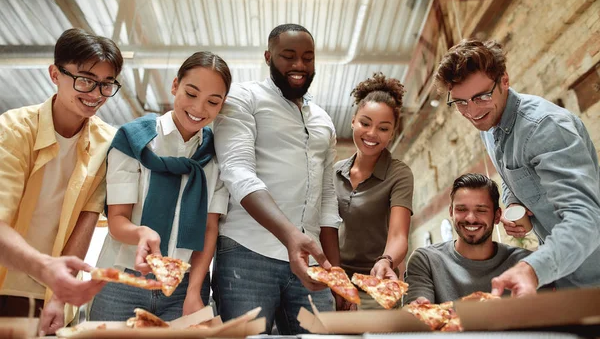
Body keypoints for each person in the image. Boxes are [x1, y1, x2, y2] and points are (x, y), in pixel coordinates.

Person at [437, 39, 600, 296]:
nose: (471, 111)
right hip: (565, 275)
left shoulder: (544, 128)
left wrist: (530, 269)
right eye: (460, 102)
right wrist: (514, 202)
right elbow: (509, 173)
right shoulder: (489, 126)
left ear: (504, 80)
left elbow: (587, 218)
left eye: (481, 96)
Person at [212, 23, 341, 334]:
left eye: (308, 58)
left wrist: (335, 271)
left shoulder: (323, 120)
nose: (299, 65)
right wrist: (290, 236)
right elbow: (238, 172)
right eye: (289, 56)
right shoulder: (243, 98)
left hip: (311, 262)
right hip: (247, 255)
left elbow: (327, 200)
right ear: (269, 57)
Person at [89, 52, 231, 322]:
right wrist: (142, 233)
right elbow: (118, 220)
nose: (199, 109)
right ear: (175, 85)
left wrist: (193, 290)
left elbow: (209, 227)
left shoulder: (216, 154)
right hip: (122, 280)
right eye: (191, 94)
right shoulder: (133, 139)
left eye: (213, 101)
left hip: (185, 287)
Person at [0, 28, 123, 334]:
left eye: (106, 85)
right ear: (55, 74)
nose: (95, 94)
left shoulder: (108, 143)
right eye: (85, 80)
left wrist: (58, 295)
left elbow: (87, 220)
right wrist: (47, 270)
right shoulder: (13, 130)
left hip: (51, 293)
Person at [334, 72, 413, 310]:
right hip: (335, 276)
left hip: (378, 278)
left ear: (391, 133)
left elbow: (399, 235)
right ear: (353, 121)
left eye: (383, 128)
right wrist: (336, 281)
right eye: (365, 123)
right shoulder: (334, 172)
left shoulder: (399, 174)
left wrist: (386, 260)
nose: (371, 134)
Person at [403, 173, 531, 305]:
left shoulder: (525, 263)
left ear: (497, 216)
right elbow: (418, 314)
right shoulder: (426, 260)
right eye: (461, 209)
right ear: (451, 212)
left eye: (481, 210)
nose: (470, 218)